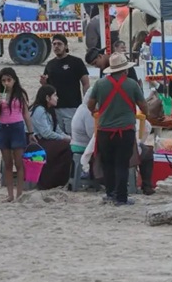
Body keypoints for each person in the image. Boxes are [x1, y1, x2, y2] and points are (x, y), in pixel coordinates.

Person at [87, 53, 148, 205]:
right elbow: (144, 107)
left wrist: (98, 111)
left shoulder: (100, 84)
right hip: (125, 130)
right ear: (125, 70)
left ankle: (110, 193)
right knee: (122, 164)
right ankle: (121, 197)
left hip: (104, 131)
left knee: (108, 163)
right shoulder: (132, 85)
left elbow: (90, 105)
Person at [0, 67, 33, 202]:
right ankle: (10, 194)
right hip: (4, 128)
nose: (6, 83)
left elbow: (26, 114)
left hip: (17, 127)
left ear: (14, 80)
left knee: (19, 162)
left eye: (9, 80)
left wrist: (30, 131)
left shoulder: (20, 94)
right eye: (3, 80)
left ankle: (19, 193)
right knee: (7, 163)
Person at [41, 34, 90, 133]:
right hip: (55, 108)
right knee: (59, 138)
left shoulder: (76, 62)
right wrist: (43, 83)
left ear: (66, 46)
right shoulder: (50, 65)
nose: (56, 46)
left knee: (72, 136)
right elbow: (47, 87)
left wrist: (86, 102)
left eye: (59, 44)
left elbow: (85, 83)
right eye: (54, 44)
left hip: (72, 106)